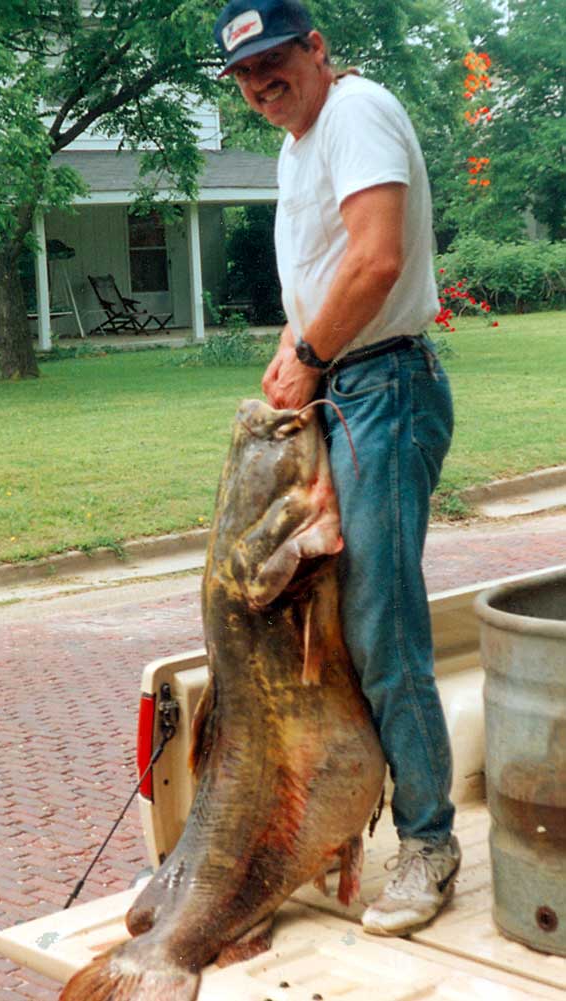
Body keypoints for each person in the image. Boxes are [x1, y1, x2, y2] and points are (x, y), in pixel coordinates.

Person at [213, 0, 460, 936]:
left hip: (382, 385)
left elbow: (376, 258)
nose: (260, 84)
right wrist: (292, 357)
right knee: (320, 617)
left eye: (275, 60)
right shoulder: (298, 141)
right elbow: (320, 274)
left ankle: (429, 842)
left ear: (316, 48)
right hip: (342, 385)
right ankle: (340, 829)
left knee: (379, 624)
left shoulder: (353, 113)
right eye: (242, 74)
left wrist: (312, 356)